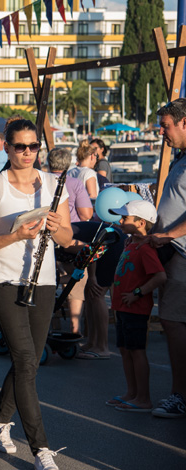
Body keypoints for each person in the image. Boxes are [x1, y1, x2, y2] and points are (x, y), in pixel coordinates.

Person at [0, 118, 72, 470]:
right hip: (3, 281)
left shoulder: (52, 183)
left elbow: (66, 238)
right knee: (27, 360)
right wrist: (15, 236)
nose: (28, 153)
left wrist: (59, 229)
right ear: (6, 147)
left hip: (42, 281)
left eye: (34, 147)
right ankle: (41, 448)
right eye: (20, 146)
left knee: (25, 363)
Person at [105, 200, 166, 412]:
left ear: (141, 222)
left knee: (136, 351)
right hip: (122, 306)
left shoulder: (146, 249)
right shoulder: (131, 243)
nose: (120, 221)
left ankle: (143, 397)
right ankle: (131, 393)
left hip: (135, 308)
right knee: (124, 350)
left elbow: (159, 276)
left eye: (125, 218)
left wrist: (138, 293)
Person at [149, 98, 186, 418]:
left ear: (185, 123)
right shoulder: (181, 158)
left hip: (181, 253)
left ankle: (180, 395)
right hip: (174, 254)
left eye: (166, 125)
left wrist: (169, 234)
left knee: (173, 322)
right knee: (173, 323)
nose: (162, 132)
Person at [47, 147, 93, 335]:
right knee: (77, 279)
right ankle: (75, 328)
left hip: (46, 237)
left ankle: (50, 325)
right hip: (70, 236)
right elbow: (86, 213)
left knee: (48, 280)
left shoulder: (40, 180)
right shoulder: (74, 183)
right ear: (68, 164)